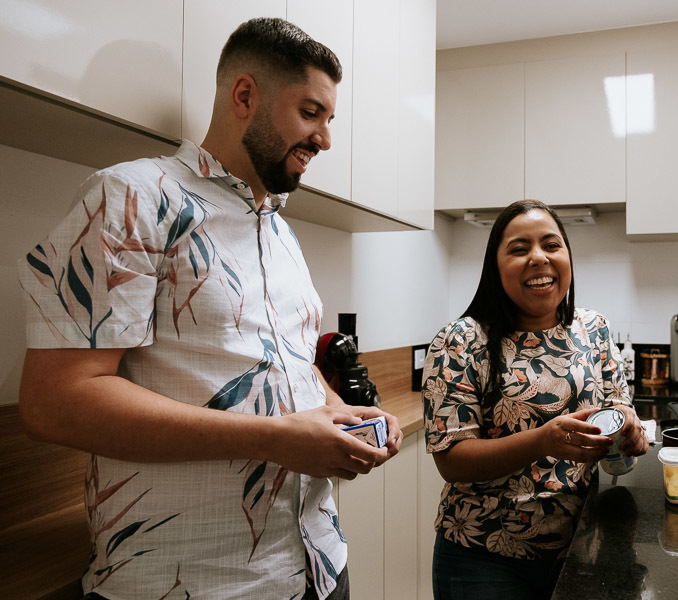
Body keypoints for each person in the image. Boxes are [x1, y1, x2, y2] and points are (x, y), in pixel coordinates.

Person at [17, 18, 401, 600]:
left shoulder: (280, 231)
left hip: (319, 566)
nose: (325, 139)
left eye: (329, 120)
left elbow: (290, 365)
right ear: (245, 95)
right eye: (310, 113)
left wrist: (342, 412)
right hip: (196, 583)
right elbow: (56, 401)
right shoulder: (133, 196)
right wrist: (274, 438)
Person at [422, 199, 649, 600]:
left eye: (551, 244)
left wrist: (629, 428)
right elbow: (451, 460)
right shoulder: (460, 340)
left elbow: (619, 404)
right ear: (495, 266)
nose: (539, 258)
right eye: (519, 248)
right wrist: (542, 441)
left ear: (568, 257)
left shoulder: (593, 328)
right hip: (484, 555)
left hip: (582, 545)